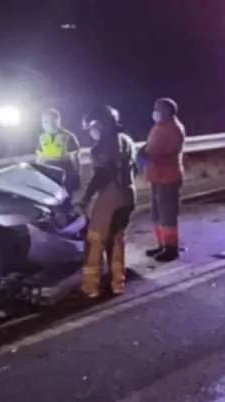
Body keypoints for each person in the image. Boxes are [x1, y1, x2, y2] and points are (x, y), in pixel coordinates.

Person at [77, 105, 137, 299]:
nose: (91, 134)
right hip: (128, 195)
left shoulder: (100, 149)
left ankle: (91, 286)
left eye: (91, 129)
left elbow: (101, 176)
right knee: (117, 239)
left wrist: (85, 198)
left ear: (99, 125)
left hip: (110, 197)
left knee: (95, 239)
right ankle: (117, 283)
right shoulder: (126, 140)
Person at [141, 98, 186, 262]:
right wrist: (144, 150)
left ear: (168, 111)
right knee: (157, 214)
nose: (155, 112)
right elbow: (152, 145)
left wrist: (149, 155)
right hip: (156, 176)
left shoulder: (174, 129)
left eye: (158, 109)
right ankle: (161, 245)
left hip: (168, 177)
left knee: (167, 215)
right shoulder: (159, 127)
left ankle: (171, 248)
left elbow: (169, 152)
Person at [36, 108, 82, 195]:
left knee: (66, 198)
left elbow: (75, 158)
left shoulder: (68, 136)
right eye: (44, 122)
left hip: (64, 169)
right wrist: (38, 173)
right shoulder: (42, 138)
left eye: (49, 121)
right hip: (48, 170)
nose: (46, 124)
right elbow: (39, 158)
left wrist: (76, 175)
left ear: (57, 121)